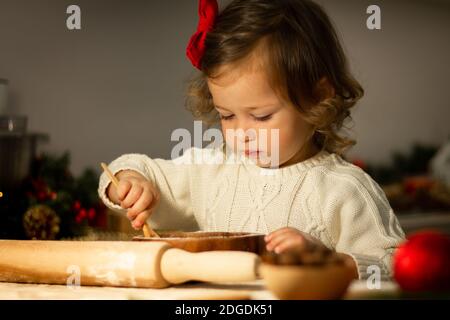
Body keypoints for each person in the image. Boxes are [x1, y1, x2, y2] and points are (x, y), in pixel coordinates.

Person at [98, 0, 405, 280]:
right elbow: (143, 170)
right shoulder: (214, 167)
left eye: (260, 117)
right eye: (227, 116)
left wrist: (329, 261)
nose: (241, 134)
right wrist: (129, 181)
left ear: (317, 99)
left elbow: (394, 264)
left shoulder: (344, 190)